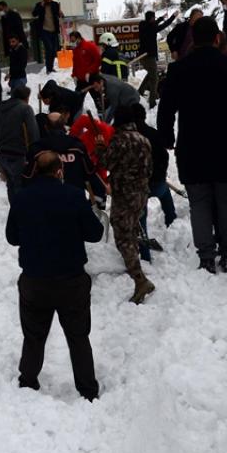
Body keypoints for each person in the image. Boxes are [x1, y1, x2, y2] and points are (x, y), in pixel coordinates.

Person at [158, 17, 227, 273]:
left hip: (193, 147)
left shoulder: (179, 70)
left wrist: (167, 138)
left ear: (193, 38)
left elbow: (166, 109)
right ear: (218, 38)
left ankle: (206, 256)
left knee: (199, 204)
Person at [6, 151, 104, 401]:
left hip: (34, 281)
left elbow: (12, 237)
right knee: (78, 337)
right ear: (59, 171)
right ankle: (88, 390)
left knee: (34, 335)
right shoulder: (73, 196)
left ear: (35, 171)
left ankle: (28, 381)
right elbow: (95, 233)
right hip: (71, 280)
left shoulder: (21, 198)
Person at [99, 104, 156, 304]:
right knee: (131, 231)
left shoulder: (119, 140)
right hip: (141, 193)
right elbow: (150, 169)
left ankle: (139, 279)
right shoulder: (144, 140)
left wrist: (100, 148)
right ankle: (137, 265)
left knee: (122, 236)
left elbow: (106, 163)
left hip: (124, 195)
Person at [24, 111, 108, 204]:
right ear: (63, 126)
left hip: (47, 204)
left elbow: (27, 179)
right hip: (75, 202)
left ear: (46, 127)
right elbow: (91, 174)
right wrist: (93, 205)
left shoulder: (37, 150)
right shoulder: (78, 147)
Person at [132, 104, 177, 233]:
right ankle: (172, 221)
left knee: (141, 213)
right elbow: (164, 157)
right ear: (144, 117)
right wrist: (161, 175)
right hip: (157, 183)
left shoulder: (128, 138)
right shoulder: (153, 133)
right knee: (165, 194)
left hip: (139, 188)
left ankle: (143, 234)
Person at [0, 85, 39, 201]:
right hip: (18, 155)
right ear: (25, 97)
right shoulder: (25, 108)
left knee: (11, 187)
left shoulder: (1, 108)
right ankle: (23, 215)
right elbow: (33, 133)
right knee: (22, 187)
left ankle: (15, 212)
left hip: (2, 155)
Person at [137, 10, 178, 107]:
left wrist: (162, 18)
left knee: (151, 74)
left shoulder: (143, 26)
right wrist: (173, 16)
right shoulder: (151, 28)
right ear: (151, 18)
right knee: (154, 78)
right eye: (154, 18)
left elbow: (154, 24)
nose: (155, 19)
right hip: (149, 57)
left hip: (143, 56)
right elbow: (164, 25)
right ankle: (152, 101)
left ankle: (140, 91)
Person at [70, 32, 102, 112]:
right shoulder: (75, 50)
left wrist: (89, 72)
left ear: (79, 38)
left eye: (73, 40)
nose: (73, 43)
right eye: (71, 41)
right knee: (76, 100)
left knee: (99, 101)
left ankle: (103, 118)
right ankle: (77, 118)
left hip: (92, 79)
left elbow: (97, 60)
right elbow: (75, 64)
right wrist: (74, 75)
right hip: (81, 81)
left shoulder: (90, 46)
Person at [31, 0, 62, 72]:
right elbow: (34, 14)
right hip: (44, 31)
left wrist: (60, 13)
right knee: (49, 49)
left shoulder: (55, 4)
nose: (49, 0)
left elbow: (60, 15)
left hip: (54, 31)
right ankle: (49, 68)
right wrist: (41, 6)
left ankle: (50, 67)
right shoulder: (39, 5)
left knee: (54, 50)